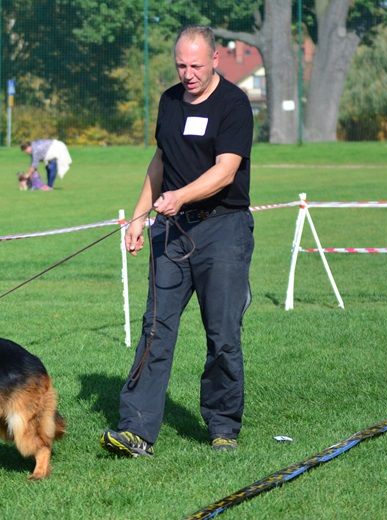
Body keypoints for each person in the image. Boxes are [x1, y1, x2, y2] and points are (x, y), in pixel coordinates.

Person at [100, 25, 254, 457]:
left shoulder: (234, 104)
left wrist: (180, 196)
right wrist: (137, 217)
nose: (188, 74)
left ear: (216, 59)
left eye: (196, 66)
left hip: (224, 228)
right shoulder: (170, 101)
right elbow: (160, 160)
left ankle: (223, 426)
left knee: (222, 333)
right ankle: (136, 430)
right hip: (171, 229)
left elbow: (226, 170)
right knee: (156, 328)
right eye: (181, 65)